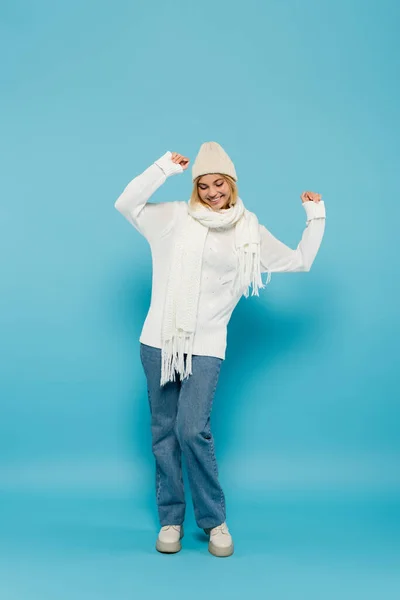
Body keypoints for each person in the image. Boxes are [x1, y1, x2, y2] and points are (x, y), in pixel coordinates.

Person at [114, 141, 326, 558]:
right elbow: (126, 203)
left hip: (207, 344)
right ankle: (171, 519)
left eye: (220, 184)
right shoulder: (172, 217)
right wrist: (161, 168)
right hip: (159, 340)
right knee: (163, 432)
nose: (213, 192)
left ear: (232, 183)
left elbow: (300, 261)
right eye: (205, 185)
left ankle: (214, 521)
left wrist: (315, 215)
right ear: (195, 186)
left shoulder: (249, 232)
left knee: (192, 430)